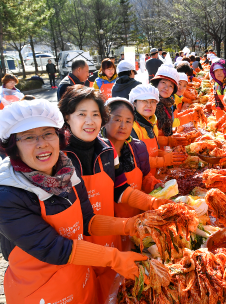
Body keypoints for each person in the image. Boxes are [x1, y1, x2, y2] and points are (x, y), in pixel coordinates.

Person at [0, 99, 149, 304]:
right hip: (41, 293)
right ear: (13, 146)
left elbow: (88, 221)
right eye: (29, 137)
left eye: (48, 133)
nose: (42, 143)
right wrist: (114, 258)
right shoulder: (8, 196)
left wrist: (132, 226)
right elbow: (54, 248)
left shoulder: (67, 172)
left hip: (80, 279)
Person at [58, 86, 173, 302]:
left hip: (108, 238)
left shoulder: (107, 150)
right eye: (82, 114)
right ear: (67, 117)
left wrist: (155, 203)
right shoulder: (58, 158)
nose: (90, 121)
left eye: (95, 115)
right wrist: (131, 225)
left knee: (110, 292)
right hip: (73, 251)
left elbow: (120, 190)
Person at [102, 97, 163, 223]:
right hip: (109, 224)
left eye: (128, 121)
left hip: (139, 218)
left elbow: (145, 177)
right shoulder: (97, 153)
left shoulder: (138, 148)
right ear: (104, 121)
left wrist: (154, 185)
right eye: (117, 120)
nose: (123, 126)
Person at [129, 84, 187, 175]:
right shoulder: (131, 127)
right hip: (137, 178)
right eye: (144, 101)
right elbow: (135, 159)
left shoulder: (152, 124)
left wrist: (167, 155)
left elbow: (153, 150)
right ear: (134, 103)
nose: (149, 105)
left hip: (150, 176)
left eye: (153, 101)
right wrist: (163, 160)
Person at [151, 65, 200, 138]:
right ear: (156, 83)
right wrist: (189, 116)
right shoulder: (152, 103)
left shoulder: (167, 102)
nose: (166, 88)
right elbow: (171, 123)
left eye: (171, 86)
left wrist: (188, 112)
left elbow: (171, 118)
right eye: (163, 82)